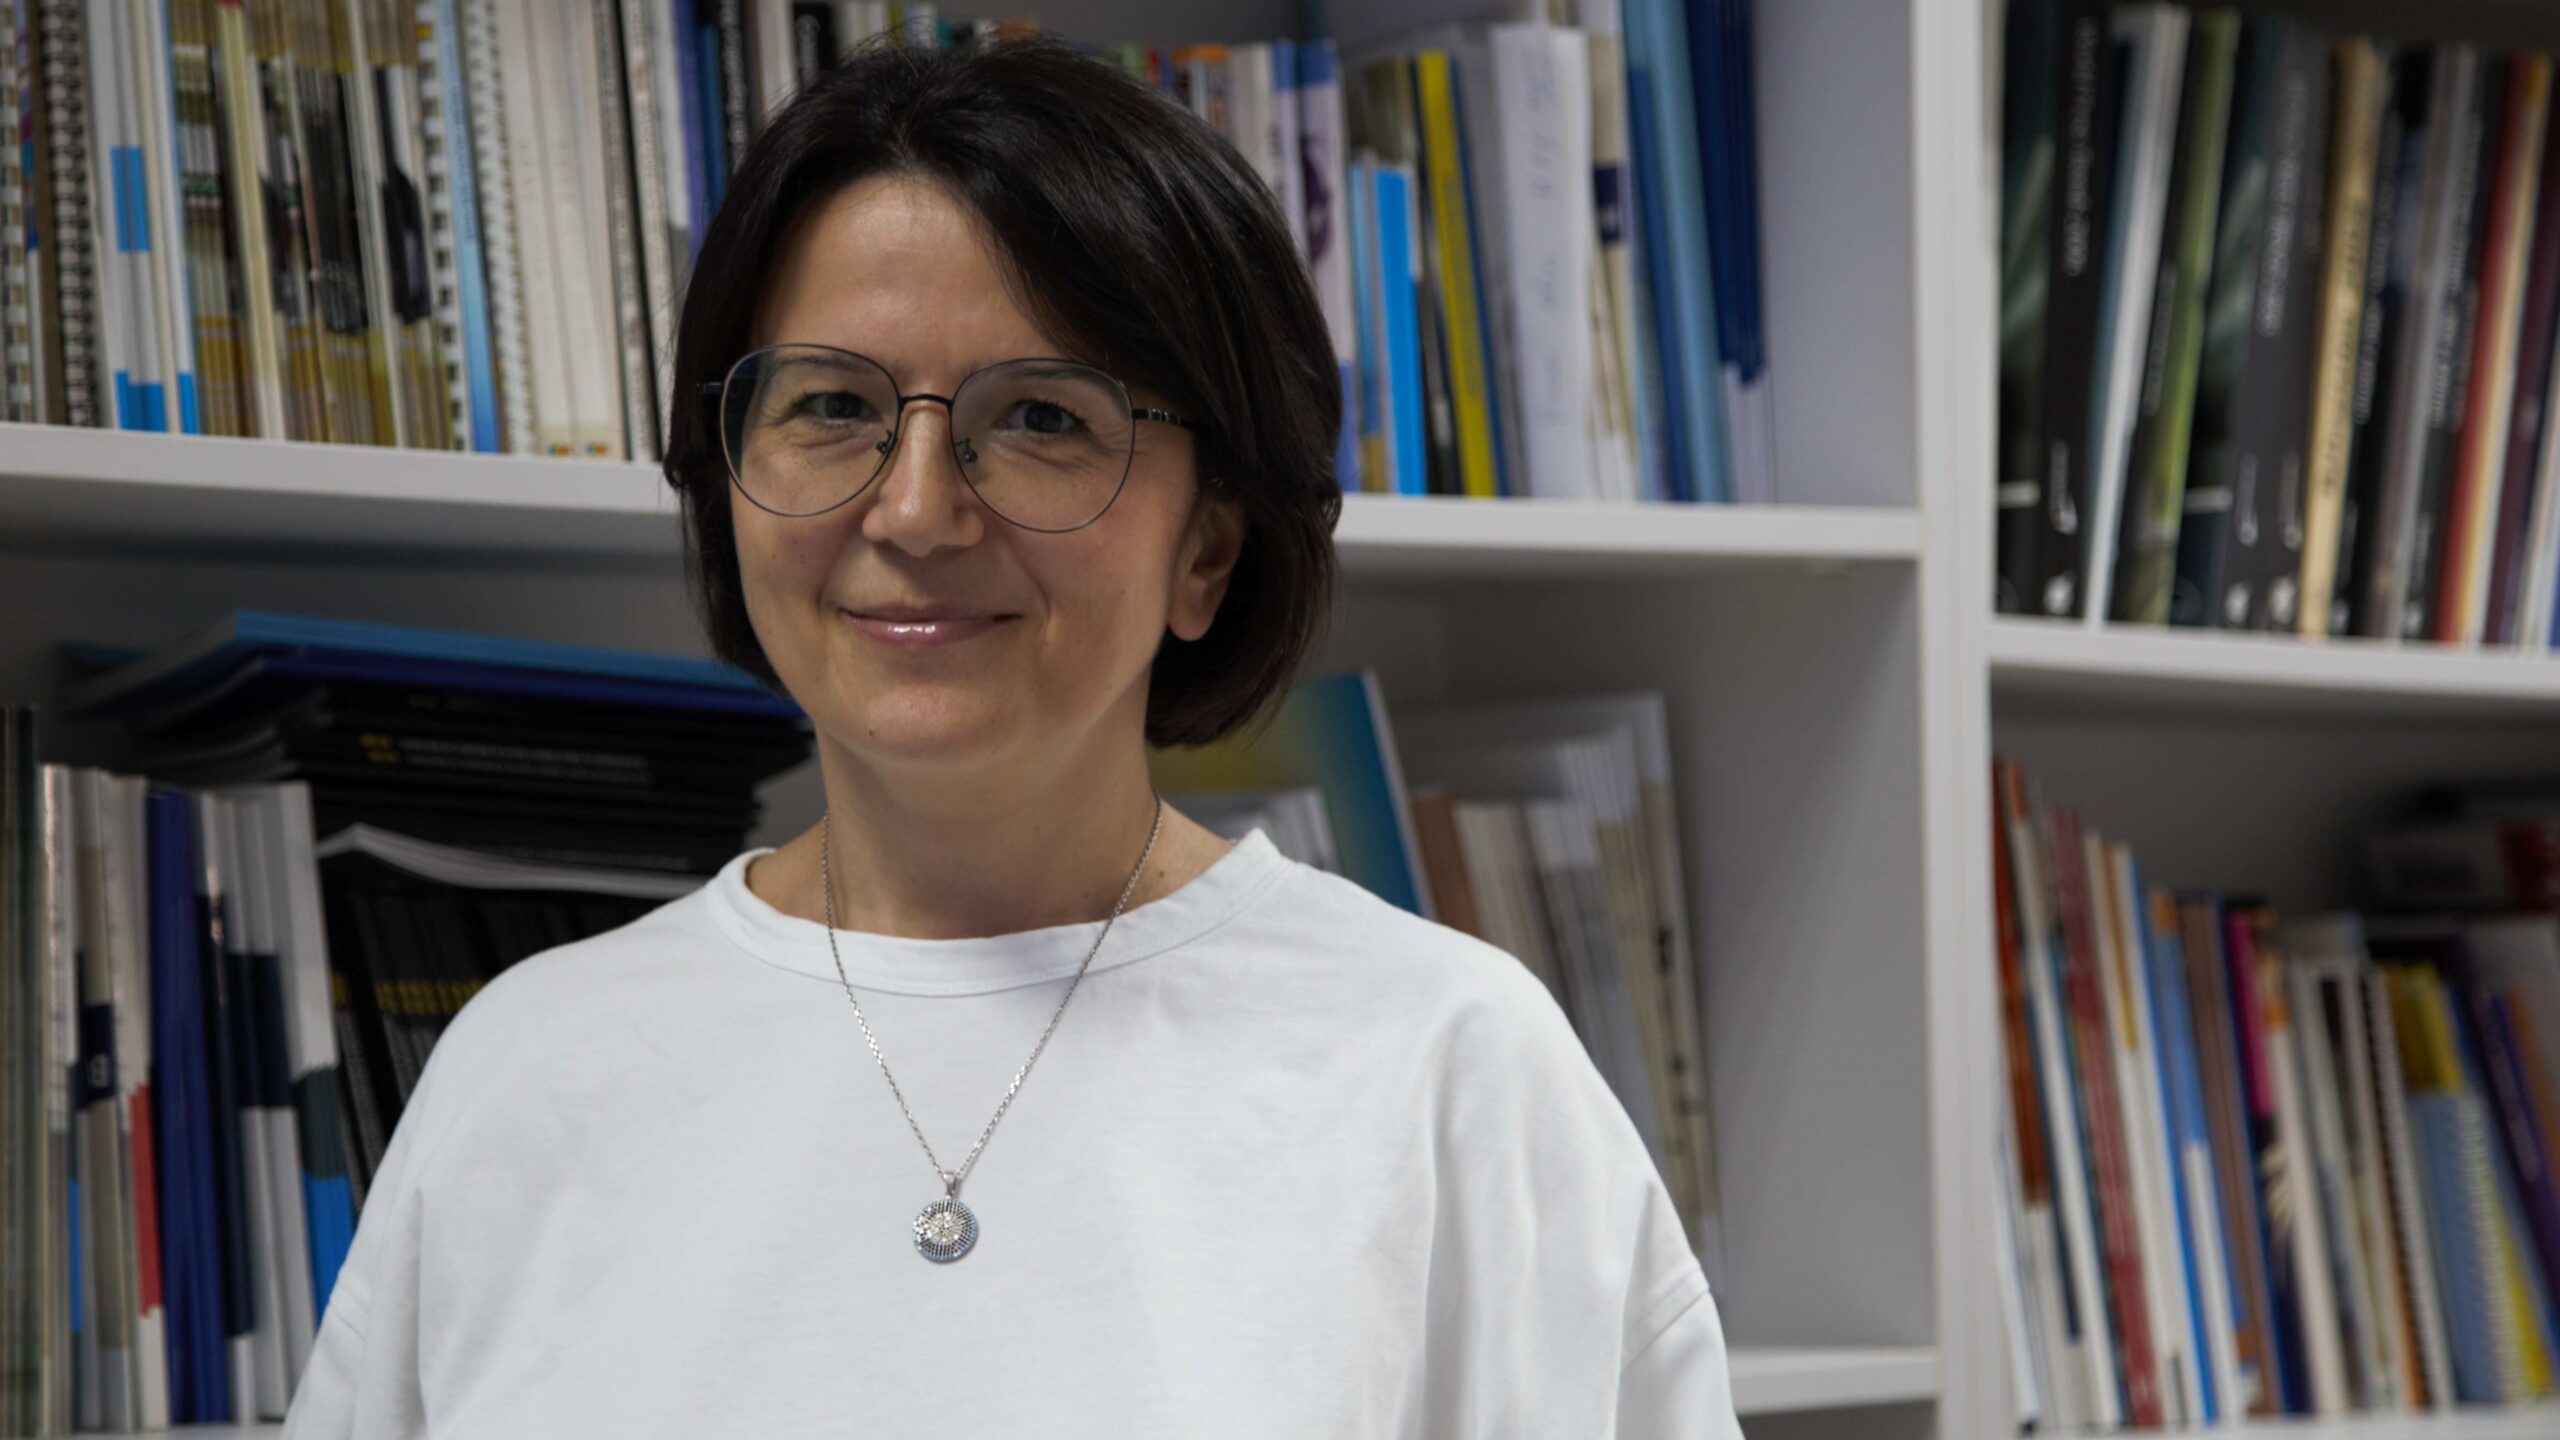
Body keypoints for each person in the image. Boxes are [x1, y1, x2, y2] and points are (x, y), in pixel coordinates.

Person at [282, 34, 1740, 1438]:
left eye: (1041, 417)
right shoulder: (528, 1068)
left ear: (1208, 549)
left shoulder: (1450, 1070)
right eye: (832, 405)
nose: (917, 511)